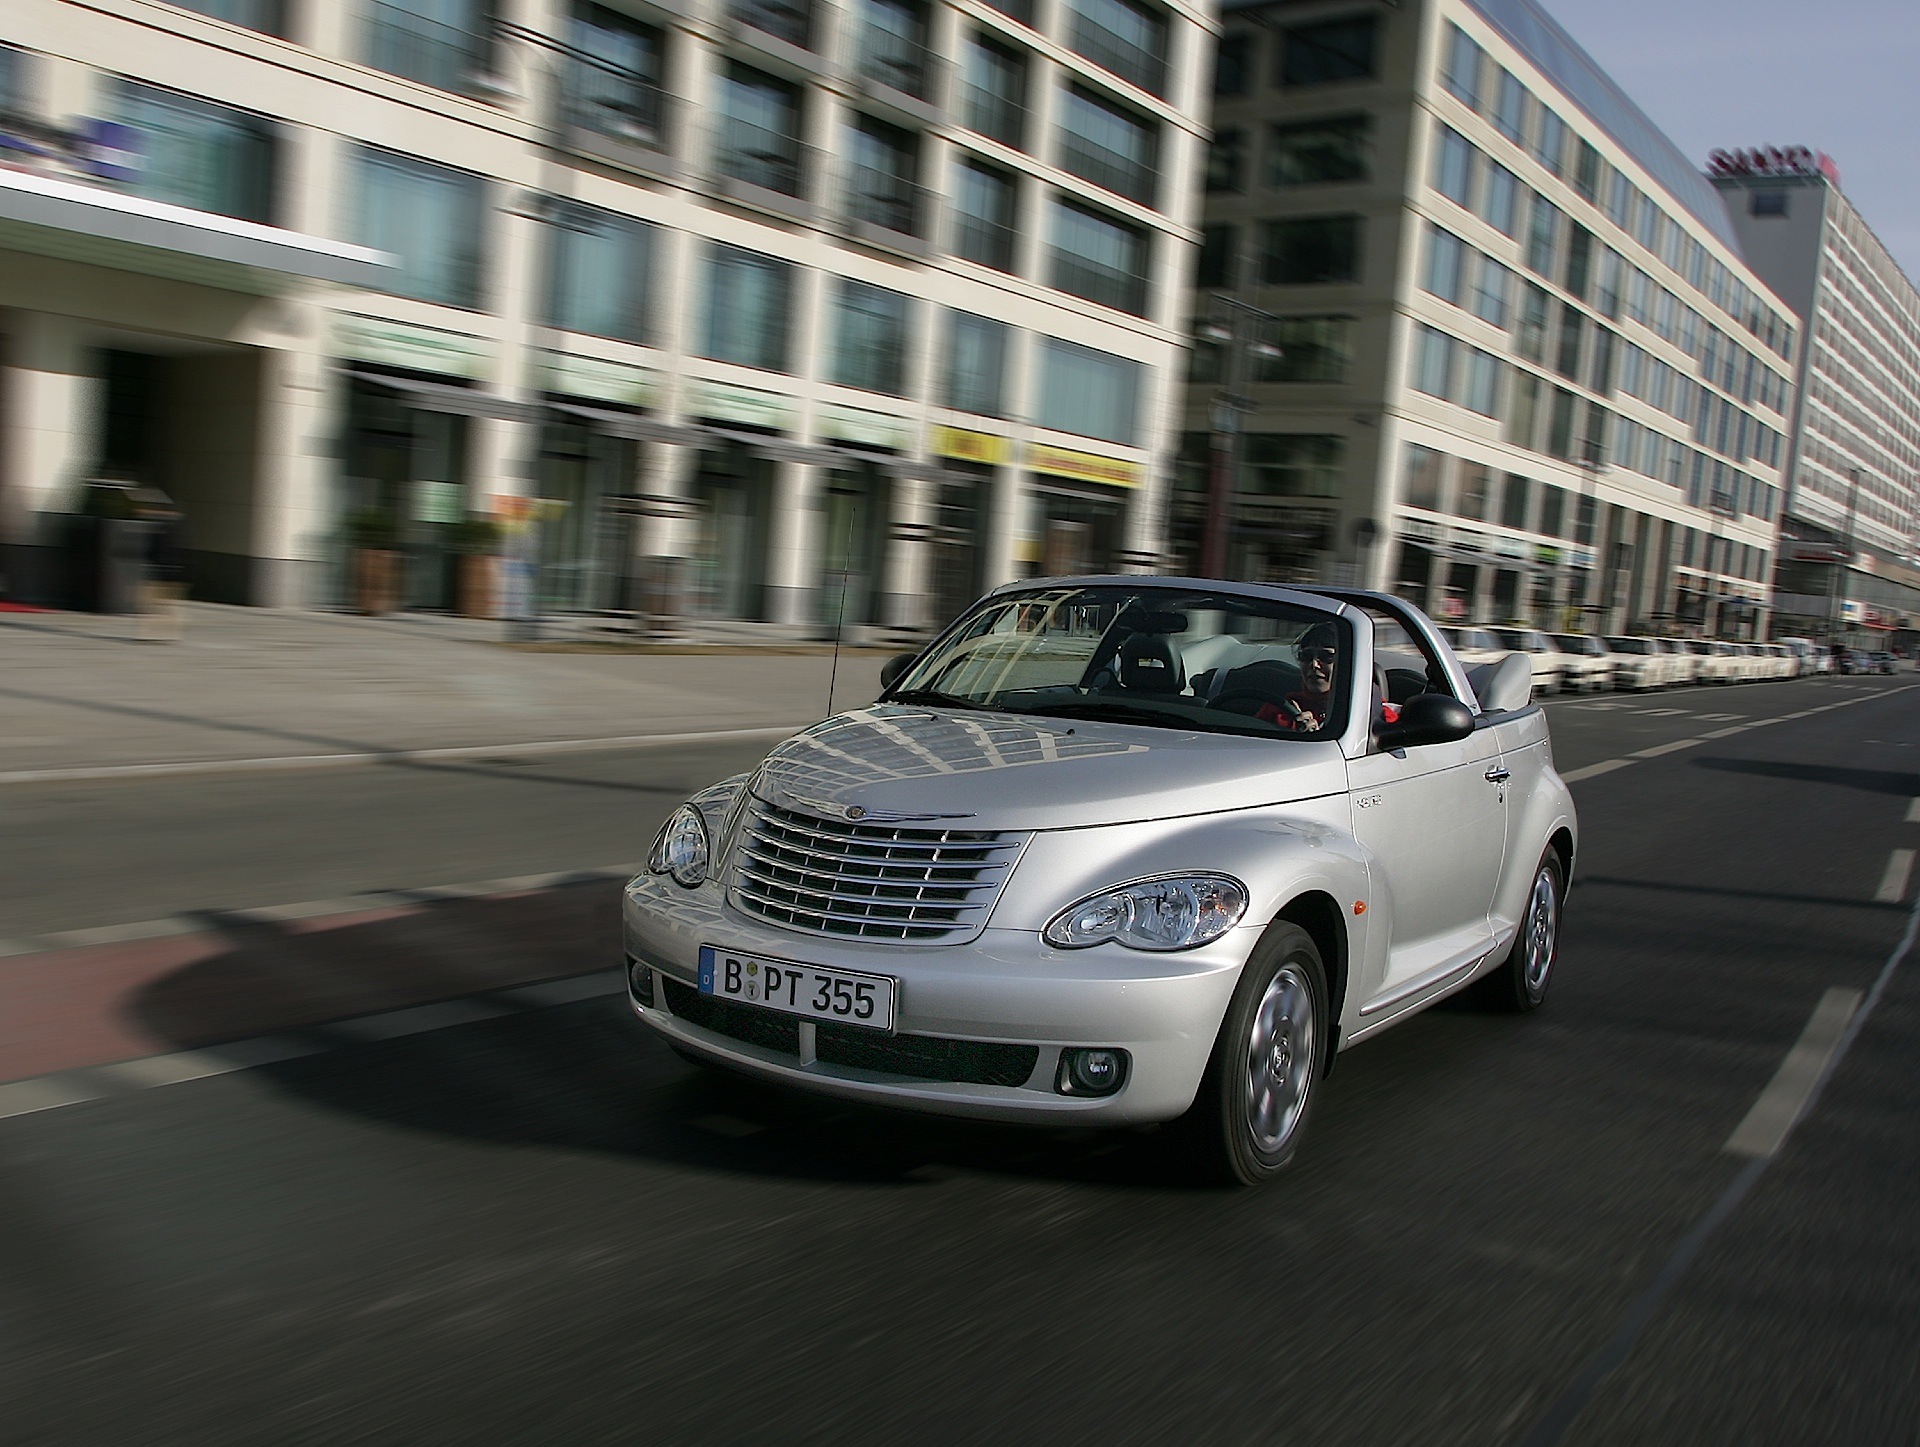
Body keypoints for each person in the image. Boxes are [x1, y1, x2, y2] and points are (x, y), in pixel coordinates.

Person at [1255, 621, 1343, 732]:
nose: (1314, 664)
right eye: (1306, 656)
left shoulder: (1353, 714)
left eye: (1327, 657)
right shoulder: (1278, 709)